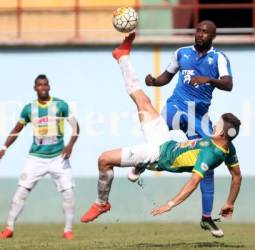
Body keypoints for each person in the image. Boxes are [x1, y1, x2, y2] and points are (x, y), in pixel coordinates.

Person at [80, 34, 242, 238]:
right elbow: (237, 176)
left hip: (158, 155)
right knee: (142, 100)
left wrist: (170, 204)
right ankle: (122, 56)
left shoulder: (211, 155)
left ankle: (101, 203)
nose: (213, 124)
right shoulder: (228, 146)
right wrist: (229, 203)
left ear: (220, 132)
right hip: (165, 141)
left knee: (104, 159)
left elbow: (192, 183)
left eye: (216, 124)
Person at [132, 20, 233, 236]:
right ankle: (141, 163)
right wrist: (154, 82)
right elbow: (167, 76)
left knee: (209, 162)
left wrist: (209, 79)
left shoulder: (219, 58)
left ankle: (206, 218)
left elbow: (228, 84)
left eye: (205, 32)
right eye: (198, 31)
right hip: (176, 106)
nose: (199, 35)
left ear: (212, 36)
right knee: (154, 132)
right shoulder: (181, 53)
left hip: (199, 116)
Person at [0, 75, 79, 240]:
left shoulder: (60, 105)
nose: (43, 87)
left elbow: (76, 127)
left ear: (49, 87)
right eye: (39, 85)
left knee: (68, 193)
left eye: (45, 84)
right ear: (35, 88)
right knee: (21, 191)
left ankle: (68, 230)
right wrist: (4, 147)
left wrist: (70, 145)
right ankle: (9, 228)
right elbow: (17, 129)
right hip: (36, 158)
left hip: (59, 158)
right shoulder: (29, 109)